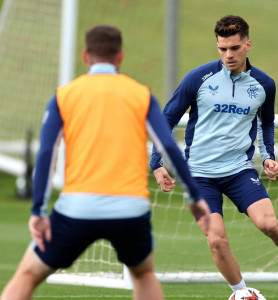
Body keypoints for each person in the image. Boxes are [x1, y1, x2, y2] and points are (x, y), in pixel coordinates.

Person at [0, 25, 210, 300]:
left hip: (77, 209)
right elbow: (168, 146)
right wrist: (194, 195)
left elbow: (46, 153)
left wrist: (38, 211)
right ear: (120, 56)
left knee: (27, 275)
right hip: (130, 210)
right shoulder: (140, 95)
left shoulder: (65, 95)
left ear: (86, 56)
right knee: (144, 274)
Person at [150, 15, 278, 292]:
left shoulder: (264, 85)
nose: (228, 55)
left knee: (269, 224)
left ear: (248, 45)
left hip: (239, 170)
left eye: (234, 48)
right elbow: (167, 119)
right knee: (216, 240)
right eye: (222, 49)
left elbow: (267, 122)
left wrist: (268, 155)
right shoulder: (198, 78)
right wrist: (157, 161)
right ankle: (242, 293)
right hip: (199, 176)